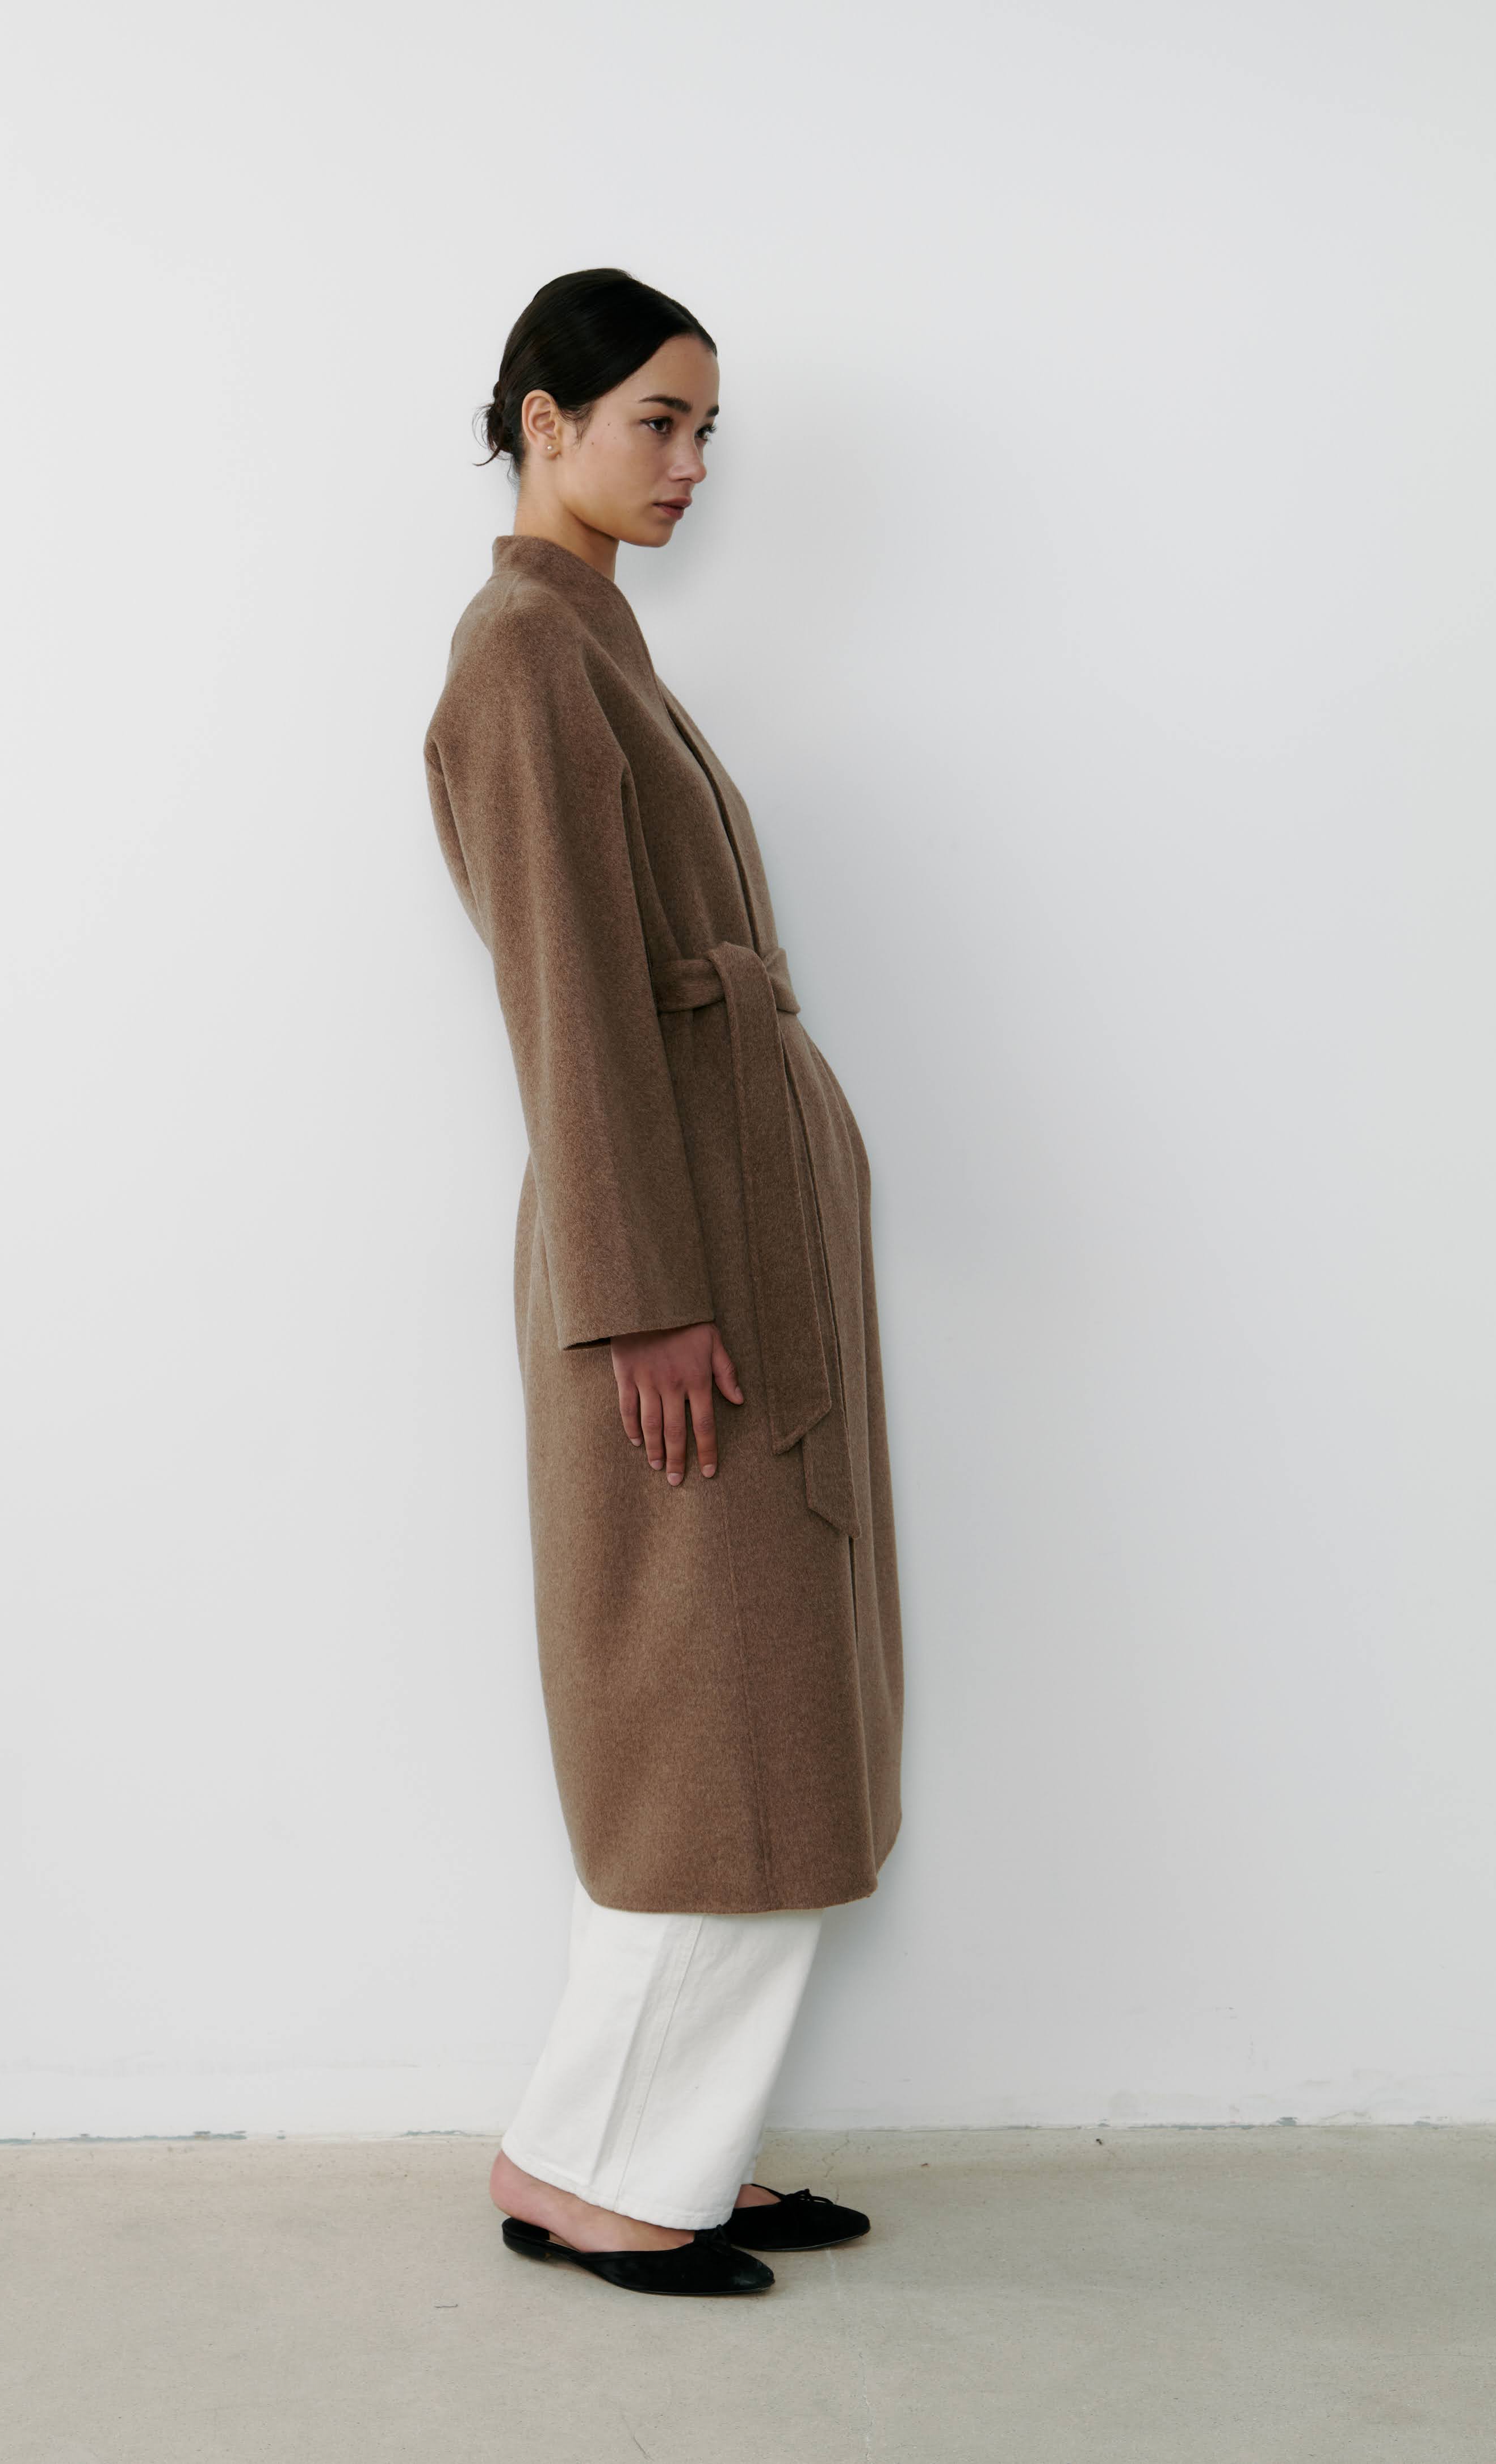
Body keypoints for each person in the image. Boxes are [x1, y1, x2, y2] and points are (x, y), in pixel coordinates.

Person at [423, 269, 904, 2298]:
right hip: (676, 1267)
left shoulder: (592, 643)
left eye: (708, 430)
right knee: (710, 1712)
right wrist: (638, 1297)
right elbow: (570, 1013)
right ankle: (605, 2171)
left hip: (736, 1241)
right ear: (544, 422)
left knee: (761, 1701)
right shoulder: (526, 658)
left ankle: (653, 2145)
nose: (692, 463)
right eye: (657, 421)